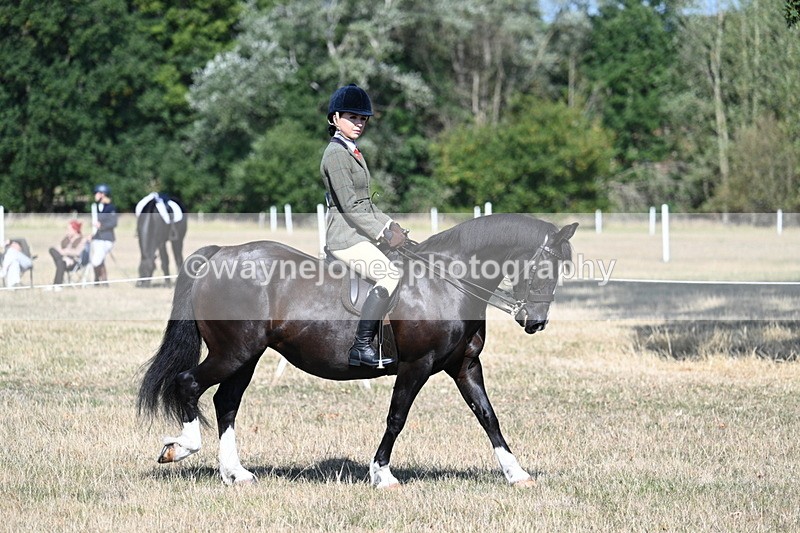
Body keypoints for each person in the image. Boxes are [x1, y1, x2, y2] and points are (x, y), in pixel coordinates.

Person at [320, 84, 409, 367]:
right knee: (390, 275)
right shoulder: (335, 154)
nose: (358, 123)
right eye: (352, 117)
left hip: (359, 232)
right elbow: (350, 205)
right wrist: (382, 233)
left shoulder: (352, 151)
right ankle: (360, 347)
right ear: (335, 118)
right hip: (344, 236)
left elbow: (366, 203)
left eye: (362, 119)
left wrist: (391, 225)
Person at [47, 219, 89, 289]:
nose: (67, 231)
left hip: (74, 262)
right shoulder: (66, 239)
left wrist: (66, 251)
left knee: (61, 263)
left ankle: (56, 285)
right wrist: (64, 256)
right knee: (52, 250)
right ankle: (57, 286)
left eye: (69, 229)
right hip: (64, 259)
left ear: (75, 230)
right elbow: (58, 248)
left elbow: (77, 252)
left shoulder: (82, 239)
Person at [90, 184, 118, 286]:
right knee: (100, 260)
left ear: (103, 194)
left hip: (107, 238)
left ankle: (98, 279)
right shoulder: (96, 207)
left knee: (96, 261)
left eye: (97, 193)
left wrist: (101, 225)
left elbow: (113, 223)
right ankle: (102, 281)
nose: (95, 195)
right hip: (97, 238)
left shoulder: (111, 207)